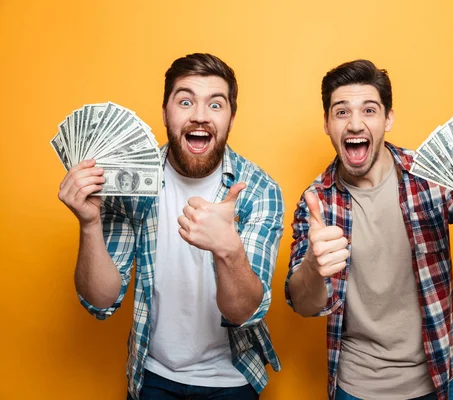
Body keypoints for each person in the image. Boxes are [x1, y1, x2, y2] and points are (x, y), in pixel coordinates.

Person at [285, 60, 453, 400]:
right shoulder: (316, 202)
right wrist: (314, 269)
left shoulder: (432, 176)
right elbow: (302, 303)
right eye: (341, 112)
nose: (355, 124)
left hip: (441, 376)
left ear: (388, 119)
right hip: (357, 387)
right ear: (327, 124)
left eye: (370, 110)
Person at [58, 53, 284, 400]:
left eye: (215, 104)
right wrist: (89, 223)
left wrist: (229, 249)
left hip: (232, 379)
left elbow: (243, 313)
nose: (199, 116)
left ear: (231, 118)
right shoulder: (128, 182)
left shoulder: (258, 189)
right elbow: (100, 300)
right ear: (165, 112)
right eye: (185, 101)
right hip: (152, 375)